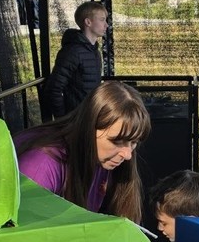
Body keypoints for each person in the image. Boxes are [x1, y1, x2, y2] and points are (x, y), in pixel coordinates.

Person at [17, 79, 148, 222]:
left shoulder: (104, 156)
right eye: (116, 141)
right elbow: (25, 230)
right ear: (89, 128)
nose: (128, 155)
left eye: (134, 142)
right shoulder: (41, 164)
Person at [45, 1, 106, 119]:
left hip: (89, 117)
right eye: (102, 20)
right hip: (75, 120)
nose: (106, 25)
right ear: (88, 22)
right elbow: (54, 88)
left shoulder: (94, 51)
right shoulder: (72, 52)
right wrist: (63, 119)